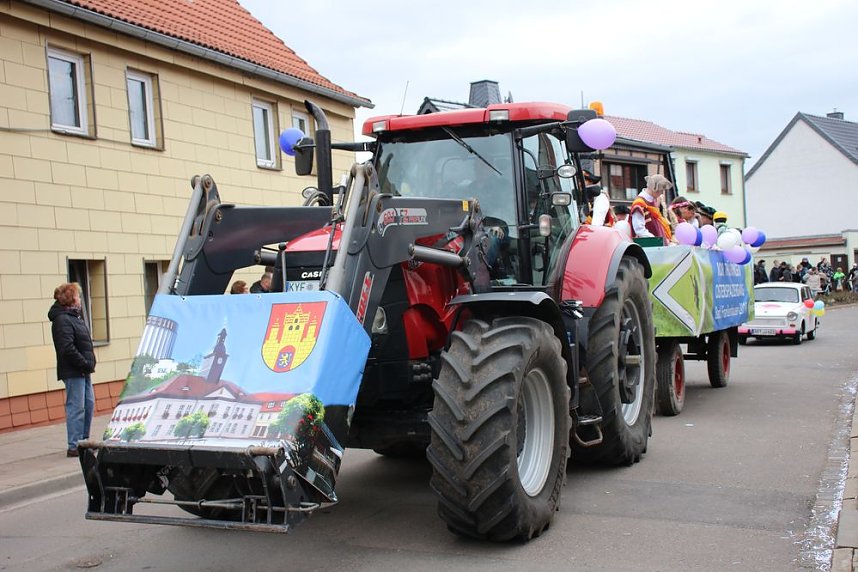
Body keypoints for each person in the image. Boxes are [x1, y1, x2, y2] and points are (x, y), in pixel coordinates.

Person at [48, 283, 95, 458]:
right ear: (71, 299)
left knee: (88, 404)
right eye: (78, 296)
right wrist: (83, 362)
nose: (80, 299)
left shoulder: (73, 317)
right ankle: (74, 444)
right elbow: (66, 347)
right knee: (76, 407)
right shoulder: (62, 320)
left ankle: (83, 440)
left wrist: (86, 365)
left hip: (84, 370)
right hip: (74, 370)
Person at [630, 174, 673, 243]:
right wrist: (655, 240)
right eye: (661, 190)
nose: (662, 193)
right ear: (654, 189)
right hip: (649, 247)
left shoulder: (651, 202)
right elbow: (639, 230)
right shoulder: (639, 204)